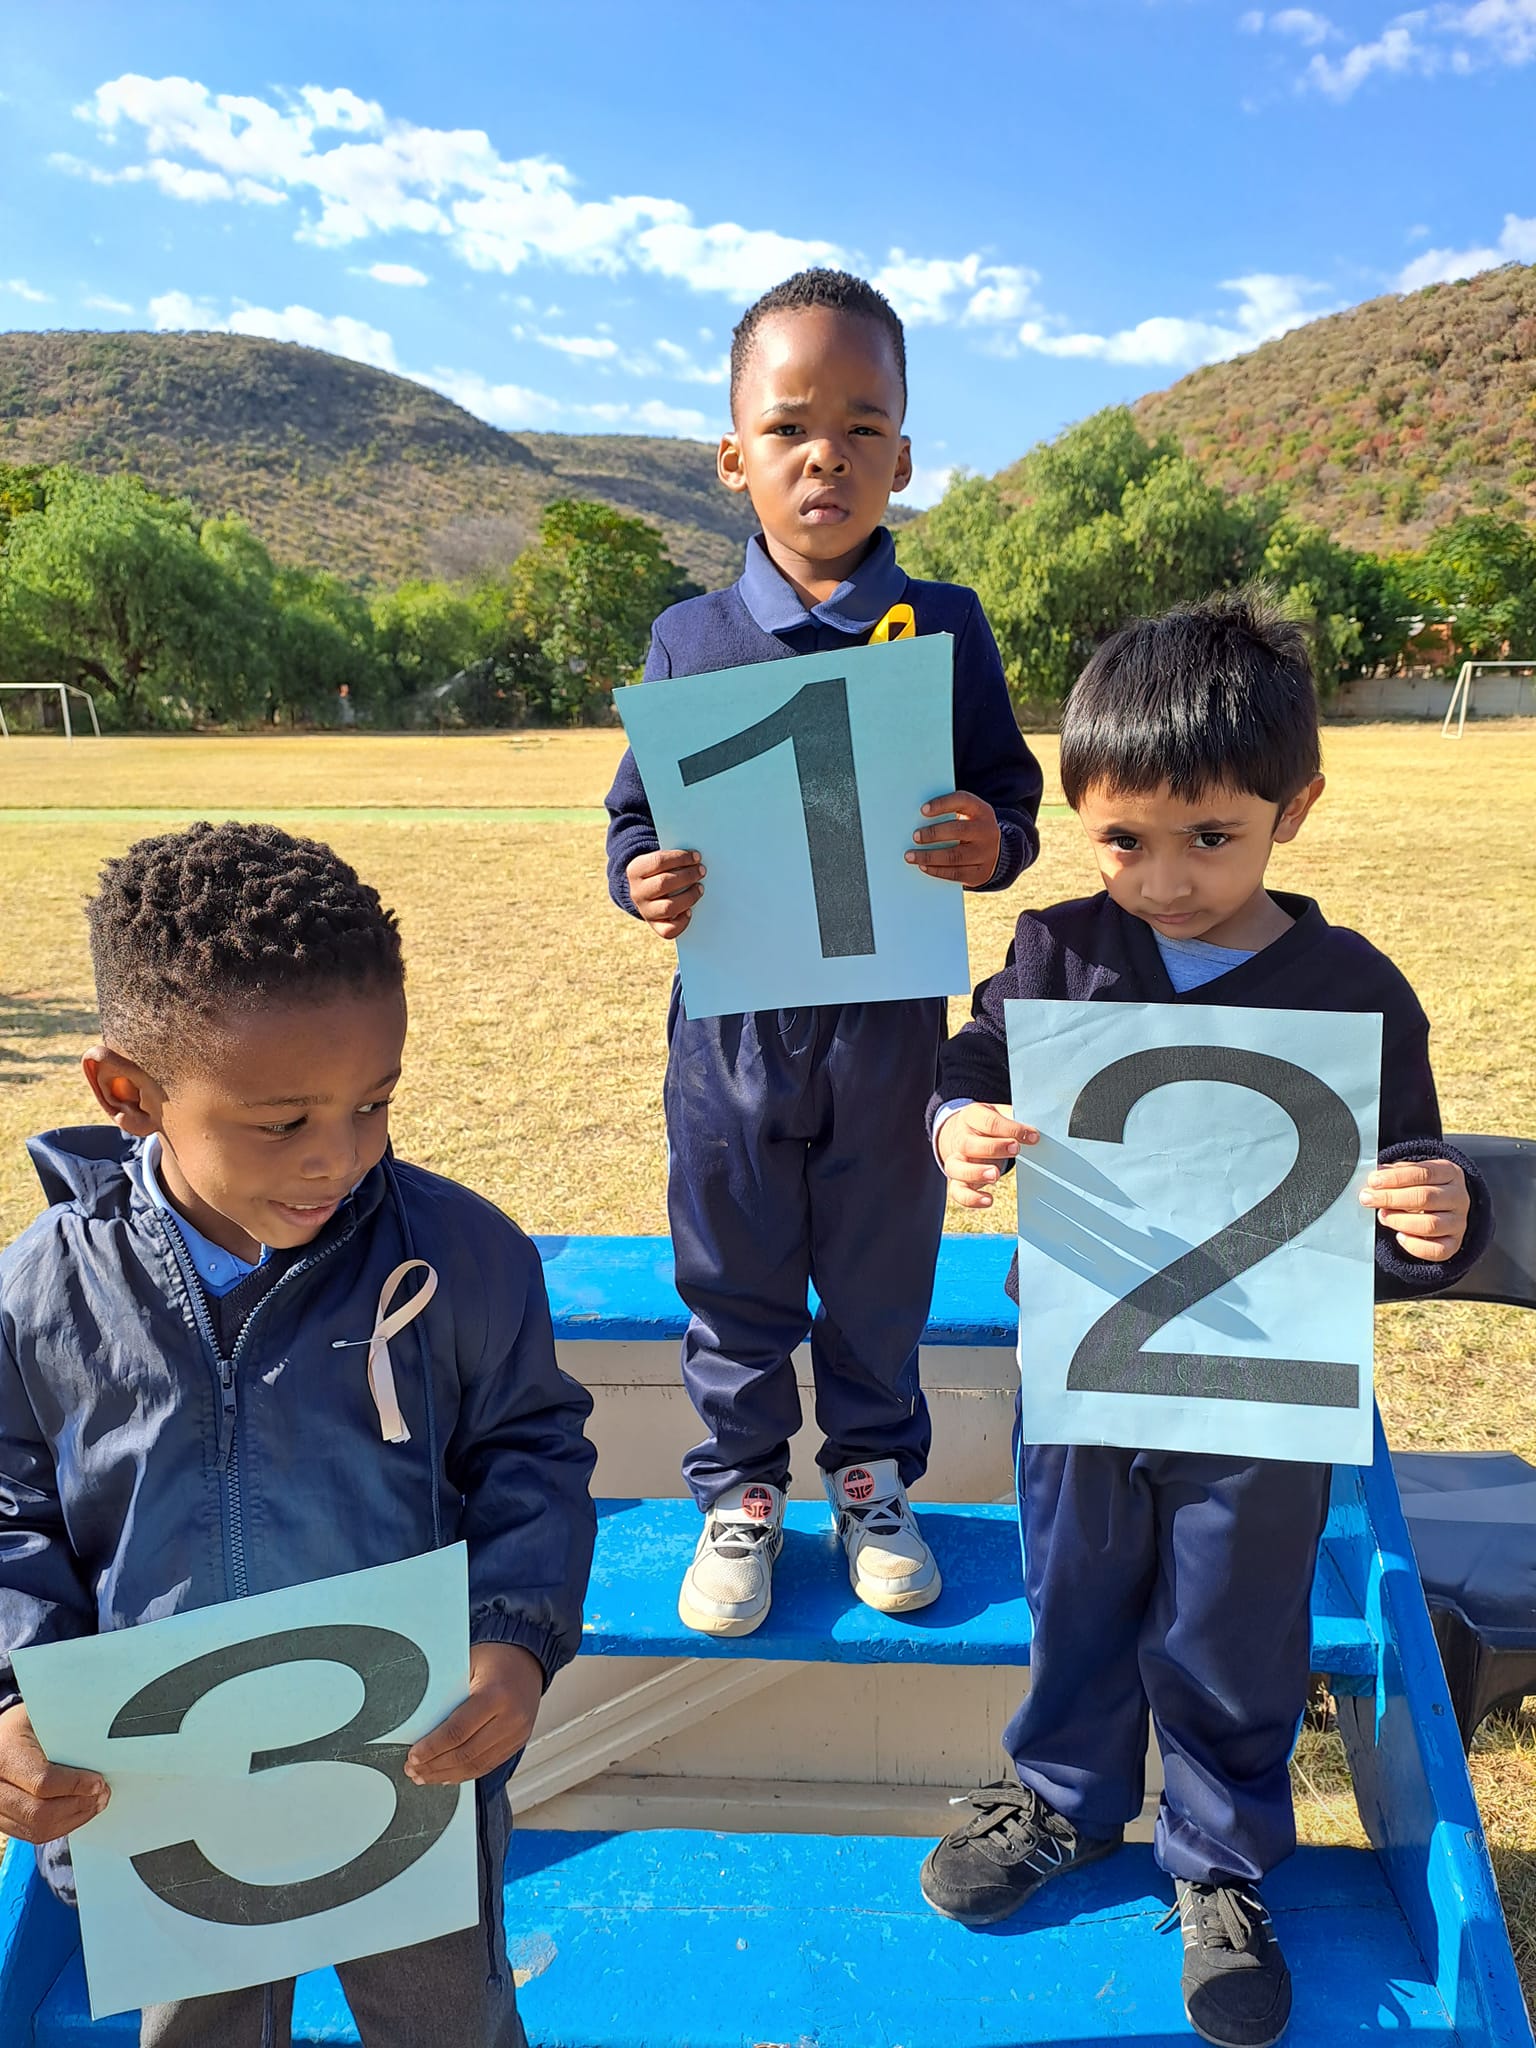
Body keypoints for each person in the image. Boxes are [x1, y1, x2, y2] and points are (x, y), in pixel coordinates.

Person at [917, 592, 1493, 2048]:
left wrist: (1437, 1211)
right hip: (1086, 1364)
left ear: (1295, 809)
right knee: (1075, 1588)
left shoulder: (1356, 989)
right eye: (1123, 839)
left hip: (1259, 1390)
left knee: (1232, 1620)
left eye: (1211, 837)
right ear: (1077, 814)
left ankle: (1222, 1859)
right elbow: (972, 1058)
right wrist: (959, 1123)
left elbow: (1402, 1175)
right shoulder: (1054, 951)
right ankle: (1062, 1796)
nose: (1164, 879)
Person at [0, 822, 597, 2048]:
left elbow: (532, 1455)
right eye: (282, 1121)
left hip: (413, 1781)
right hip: (162, 1805)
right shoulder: (43, 1290)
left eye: (374, 1101)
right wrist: (12, 1690)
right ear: (127, 1093)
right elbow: (9, 1508)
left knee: (450, 2027)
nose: (340, 1154)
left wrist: (513, 1638)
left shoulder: (462, 1255)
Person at [605, 268, 1043, 1637]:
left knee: (879, 1267)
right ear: (733, 455)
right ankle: (741, 1490)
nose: (826, 456)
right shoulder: (690, 638)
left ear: (903, 457)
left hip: (888, 1027)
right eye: (790, 426)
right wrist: (642, 876)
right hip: (732, 1030)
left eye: (863, 427)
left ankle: (871, 1480)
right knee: (730, 1266)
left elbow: (1011, 798)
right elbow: (634, 816)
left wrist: (991, 838)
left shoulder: (947, 627)